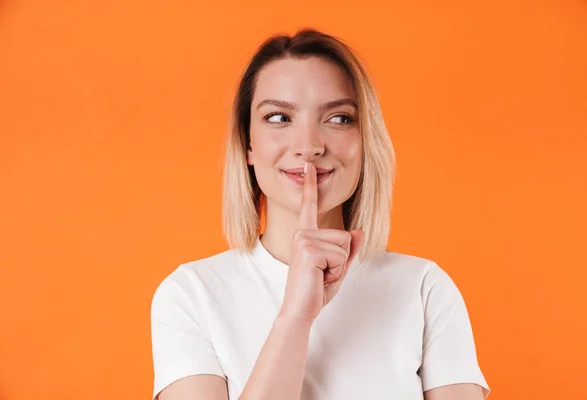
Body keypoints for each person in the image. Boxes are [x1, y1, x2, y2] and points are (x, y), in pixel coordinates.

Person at [150, 28, 490, 400]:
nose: (309, 146)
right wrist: (295, 317)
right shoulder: (191, 295)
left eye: (339, 118)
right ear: (247, 144)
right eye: (279, 117)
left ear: (365, 141)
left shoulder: (424, 289)